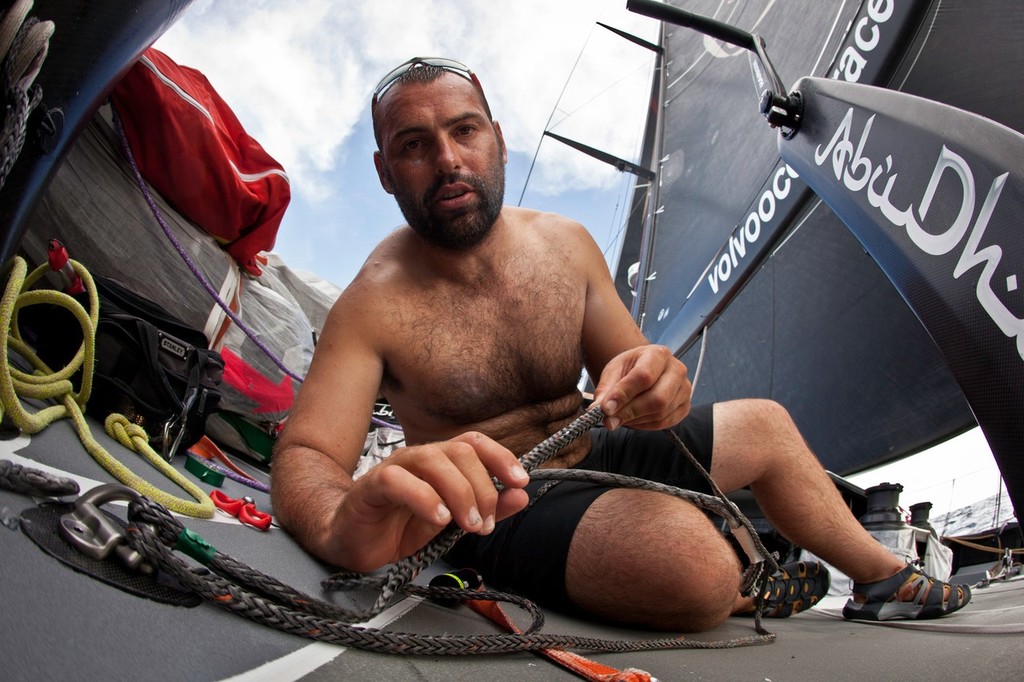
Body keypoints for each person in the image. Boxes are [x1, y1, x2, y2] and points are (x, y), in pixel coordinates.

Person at [271, 57, 971, 631]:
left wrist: (660, 380)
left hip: (593, 444)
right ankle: (733, 578)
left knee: (767, 427)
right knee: (693, 570)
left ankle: (881, 580)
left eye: (465, 131)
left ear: (499, 140)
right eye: (414, 146)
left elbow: (631, 369)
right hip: (501, 503)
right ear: (384, 171)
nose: (448, 159)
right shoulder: (371, 305)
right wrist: (339, 526)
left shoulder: (566, 246)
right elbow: (307, 454)